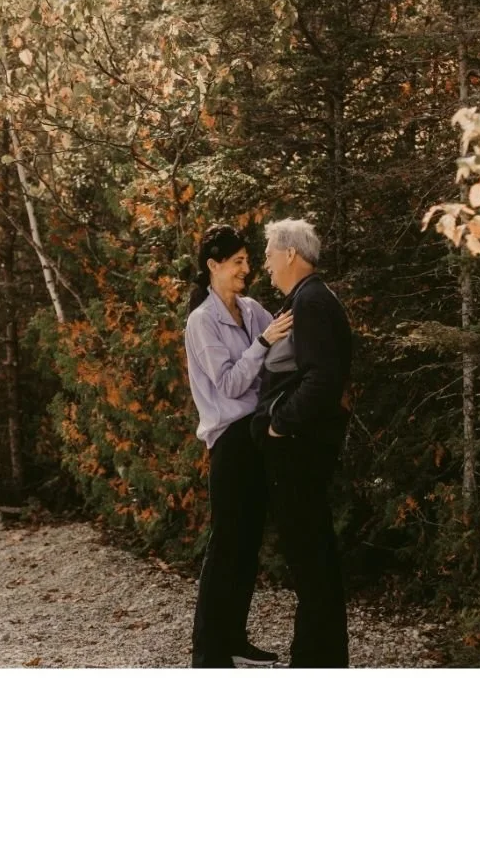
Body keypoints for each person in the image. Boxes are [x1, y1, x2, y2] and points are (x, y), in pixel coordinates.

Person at [184, 225, 294, 668]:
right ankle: (208, 653)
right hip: (228, 440)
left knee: (248, 544)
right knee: (226, 544)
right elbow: (229, 384)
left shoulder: (251, 310)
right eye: (237, 262)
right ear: (213, 265)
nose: (247, 269)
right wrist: (263, 343)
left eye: (248, 261)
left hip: (256, 435)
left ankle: (234, 640)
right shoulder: (202, 321)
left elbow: (285, 343)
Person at [251, 218, 353, 668]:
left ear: (290, 253)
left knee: (310, 557)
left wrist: (280, 424)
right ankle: (319, 657)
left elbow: (323, 379)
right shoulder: (308, 298)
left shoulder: (310, 302)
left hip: (299, 449)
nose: (266, 264)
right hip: (303, 445)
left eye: (269, 254)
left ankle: (314, 662)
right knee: (313, 555)